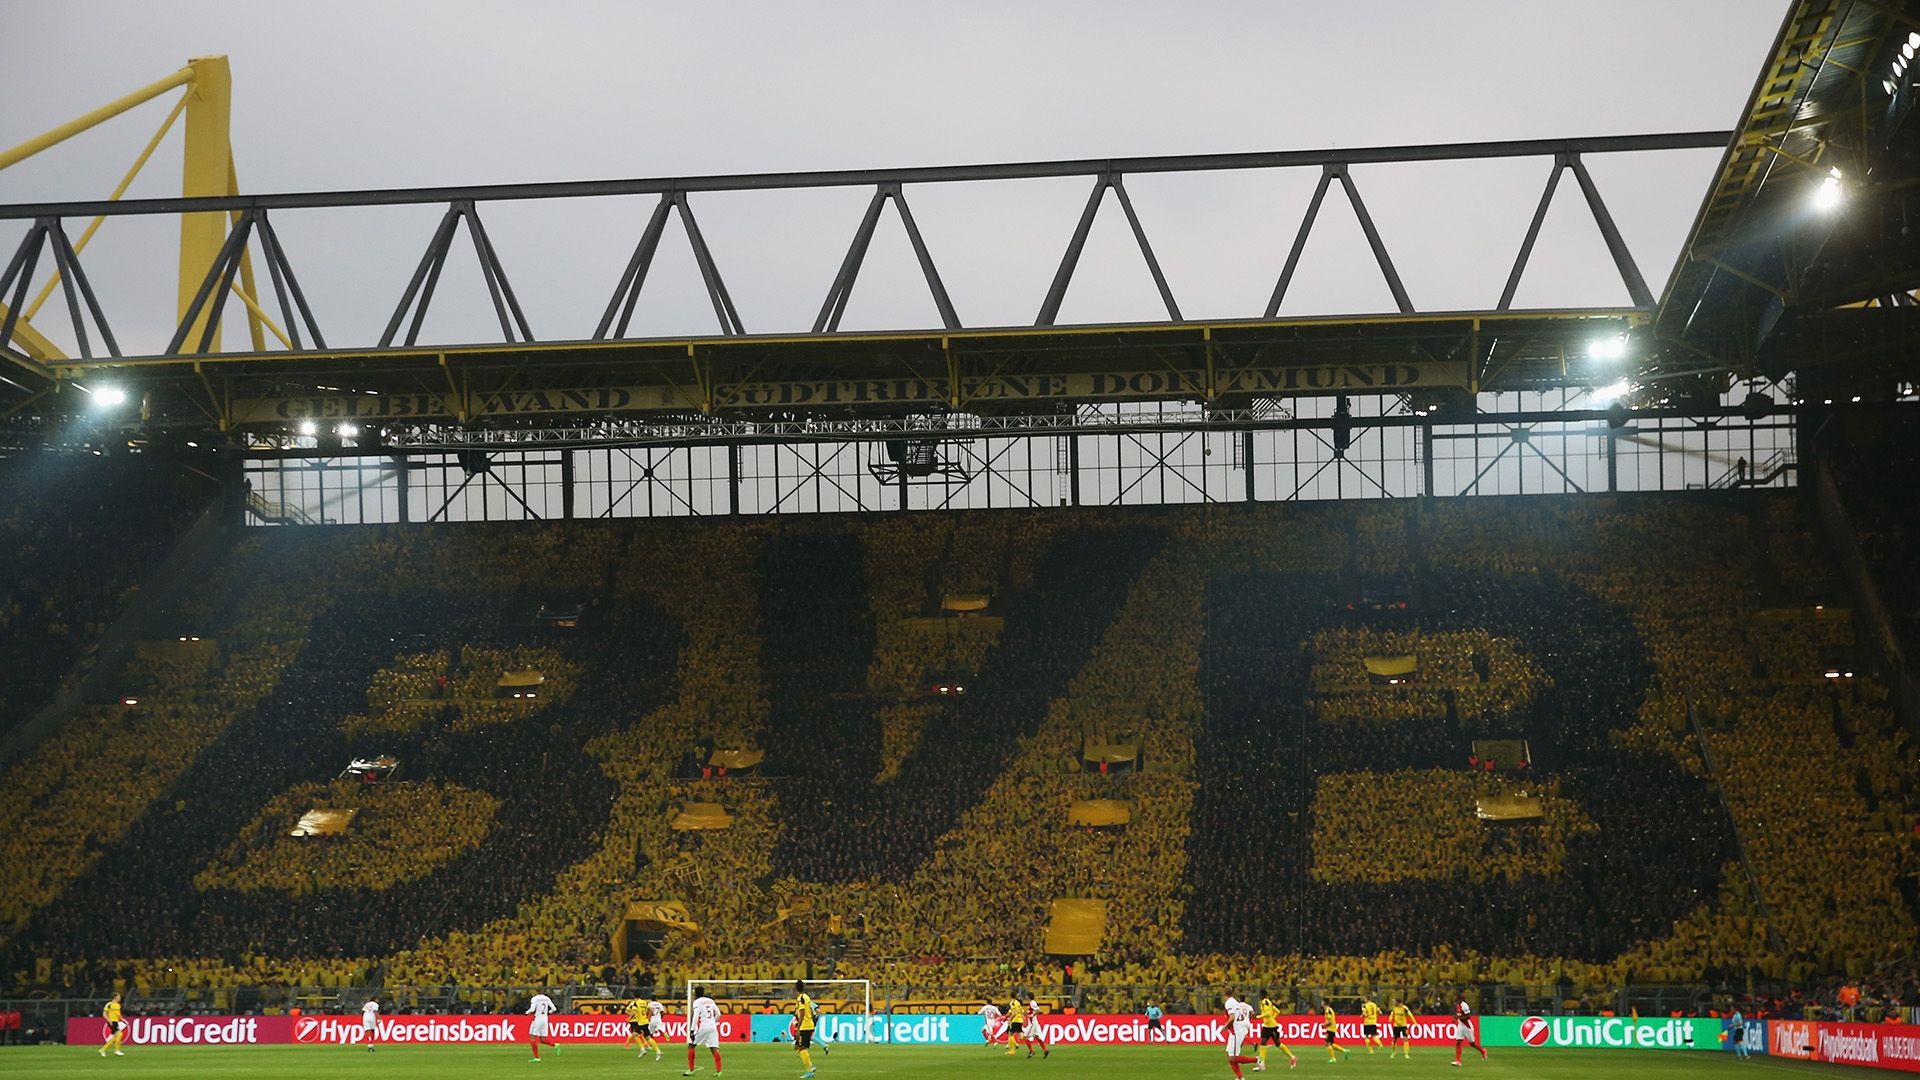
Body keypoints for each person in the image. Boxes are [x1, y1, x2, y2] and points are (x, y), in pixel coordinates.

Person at [684, 990, 722, 1076]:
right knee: (714, 1048)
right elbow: (718, 1014)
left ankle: (691, 1069)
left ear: (695, 994)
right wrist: (712, 1022)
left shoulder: (697, 1002)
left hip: (704, 1026)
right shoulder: (710, 1000)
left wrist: (692, 1030)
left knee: (691, 1045)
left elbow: (696, 1015)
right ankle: (719, 1071)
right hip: (712, 1027)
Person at [1223, 990, 1259, 1079]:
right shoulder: (1236, 1002)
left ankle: (1257, 1059)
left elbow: (1232, 1017)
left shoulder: (1229, 1003)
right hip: (1239, 1028)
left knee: (1233, 1058)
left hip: (1236, 1031)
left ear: (1224, 994)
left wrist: (1226, 1026)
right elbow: (1253, 1014)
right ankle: (1240, 1078)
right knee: (1229, 1055)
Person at [1255, 992, 1296, 1070]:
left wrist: (1257, 1017)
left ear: (1261, 996)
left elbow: (1268, 1013)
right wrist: (1273, 1018)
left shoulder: (1265, 1002)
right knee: (1263, 1042)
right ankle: (1262, 1064)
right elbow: (1277, 1011)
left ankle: (1292, 1057)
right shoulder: (1268, 1002)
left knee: (1277, 1043)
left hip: (1272, 1027)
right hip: (1267, 1026)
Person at [1451, 996, 1486, 1067]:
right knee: (1458, 1042)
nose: (1455, 1000)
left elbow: (1468, 1016)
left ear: (1460, 999)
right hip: (1461, 1026)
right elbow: (1459, 1015)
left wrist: (1458, 1018)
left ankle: (1483, 1051)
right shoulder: (1458, 1005)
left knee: (1472, 1044)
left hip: (1467, 1026)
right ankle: (1458, 1061)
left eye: (1456, 998)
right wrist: (1455, 1019)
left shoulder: (1464, 1005)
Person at [793, 981, 819, 1079]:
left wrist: (798, 1028)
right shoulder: (806, 997)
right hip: (809, 1025)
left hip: (804, 1026)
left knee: (801, 1048)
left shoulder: (800, 998)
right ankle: (810, 1068)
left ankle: (810, 1069)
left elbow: (802, 1012)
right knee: (799, 1047)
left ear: (796, 988)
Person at [527, 990, 559, 1062]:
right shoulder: (547, 998)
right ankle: (555, 1045)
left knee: (532, 1038)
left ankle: (537, 1058)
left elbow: (532, 1009)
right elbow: (554, 1009)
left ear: (534, 993)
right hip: (545, 1020)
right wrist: (548, 1012)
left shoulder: (535, 998)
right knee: (543, 1039)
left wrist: (526, 1013)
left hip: (537, 1019)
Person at [100, 991, 125, 1057]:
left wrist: (121, 1019)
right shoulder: (109, 1004)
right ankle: (115, 1050)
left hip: (116, 1022)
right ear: (115, 997)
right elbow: (104, 1014)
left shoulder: (118, 1005)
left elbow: (118, 1015)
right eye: (119, 996)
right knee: (119, 1034)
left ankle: (104, 1049)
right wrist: (109, 1021)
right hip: (112, 1021)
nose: (120, 998)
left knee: (117, 1035)